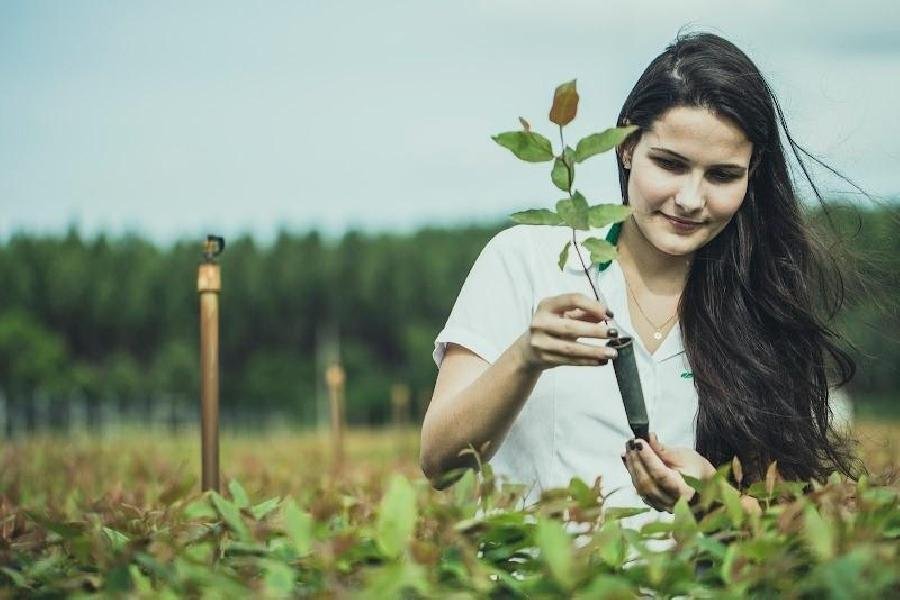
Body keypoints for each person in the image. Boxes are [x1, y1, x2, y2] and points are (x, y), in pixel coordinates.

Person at [419, 31, 863, 523]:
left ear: (751, 173)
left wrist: (713, 503)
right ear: (627, 147)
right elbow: (440, 463)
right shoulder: (526, 261)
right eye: (670, 164)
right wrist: (525, 357)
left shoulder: (756, 304)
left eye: (722, 176)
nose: (691, 199)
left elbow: (792, 523)